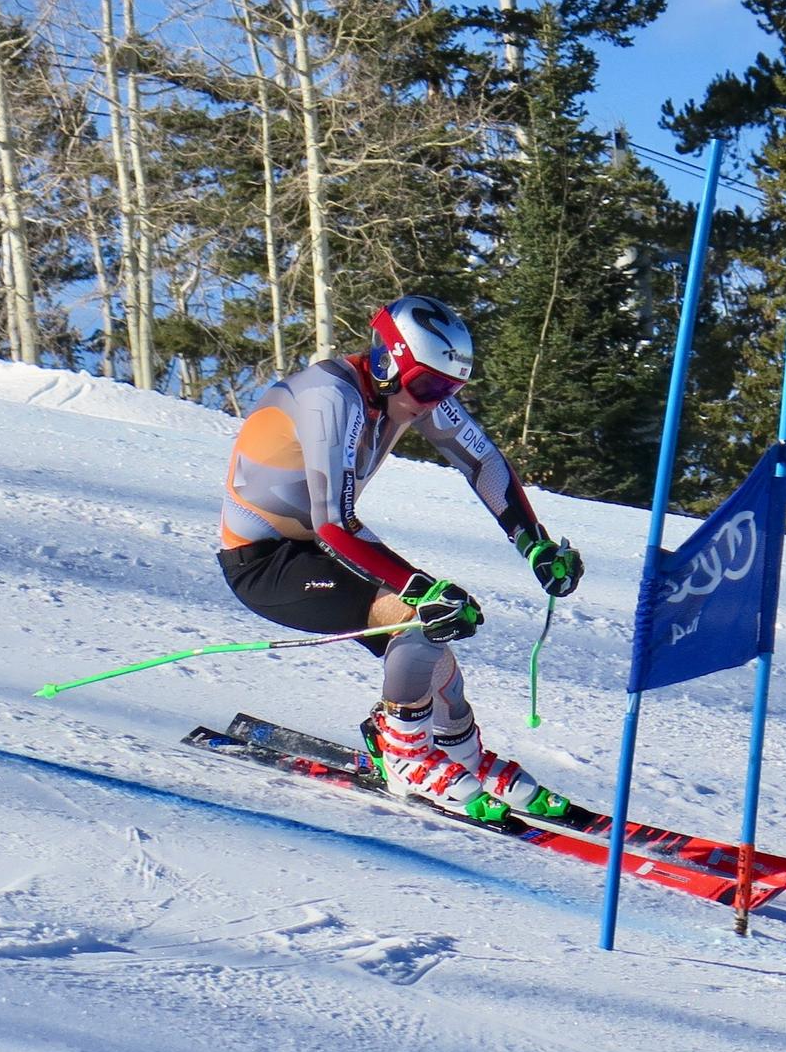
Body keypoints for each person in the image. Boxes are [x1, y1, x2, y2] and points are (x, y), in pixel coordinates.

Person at [216, 294, 587, 819]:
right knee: (422, 618)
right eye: (430, 387)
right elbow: (332, 524)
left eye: (450, 389)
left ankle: (459, 753)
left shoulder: (406, 393)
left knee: (434, 641)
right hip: (266, 563)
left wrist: (533, 541)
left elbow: (482, 461)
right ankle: (405, 755)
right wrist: (422, 589)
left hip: (314, 549)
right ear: (389, 361)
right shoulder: (330, 397)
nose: (436, 401)